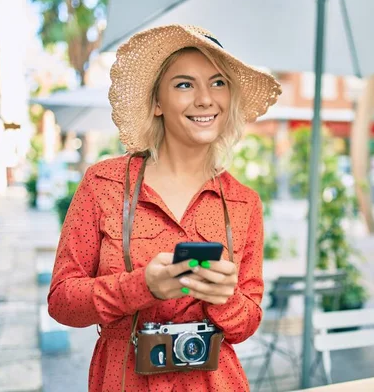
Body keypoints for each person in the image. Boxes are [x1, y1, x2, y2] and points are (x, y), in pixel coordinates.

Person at [48, 24, 281, 392]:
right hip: (124, 380)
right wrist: (141, 287)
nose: (205, 99)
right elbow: (62, 301)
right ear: (157, 102)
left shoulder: (243, 202)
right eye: (184, 84)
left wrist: (225, 300)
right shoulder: (104, 185)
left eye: (218, 82)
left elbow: (246, 323)